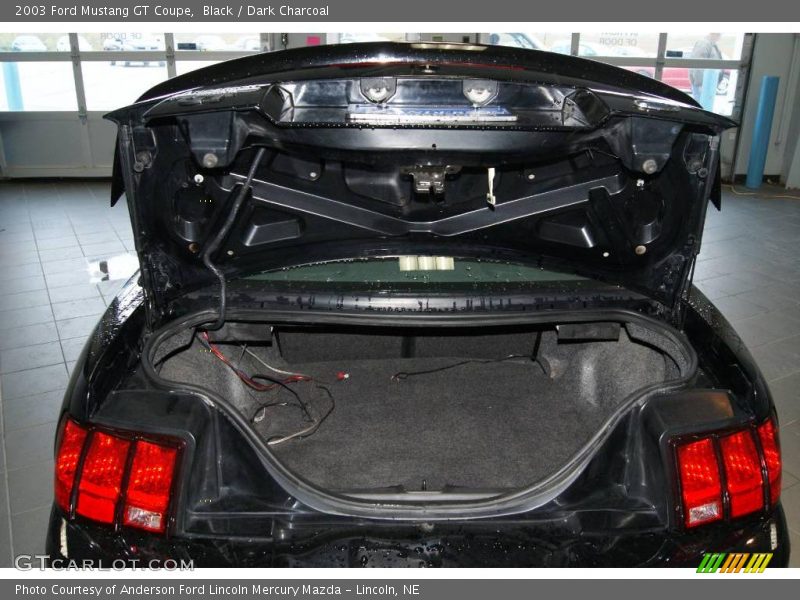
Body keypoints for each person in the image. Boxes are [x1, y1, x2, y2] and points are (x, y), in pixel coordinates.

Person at [689, 33, 723, 101]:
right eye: (719, 34)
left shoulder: (712, 44)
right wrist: (701, 85)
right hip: (703, 85)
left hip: (708, 84)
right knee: (702, 107)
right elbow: (698, 65)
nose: (720, 37)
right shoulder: (704, 44)